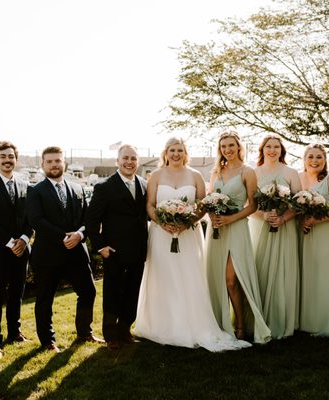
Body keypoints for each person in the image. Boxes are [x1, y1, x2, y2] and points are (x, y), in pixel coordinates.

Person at [134, 137, 250, 352]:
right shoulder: (156, 176)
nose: (176, 154)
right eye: (172, 150)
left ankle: (192, 324)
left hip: (188, 234)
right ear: (165, 153)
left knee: (189, 277)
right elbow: (150, 205)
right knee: (163, 278)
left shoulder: (195, 175)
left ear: (185, 153)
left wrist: (187, 221)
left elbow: (202, 206)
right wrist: (163, 223)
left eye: (180, 150)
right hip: (161, 234)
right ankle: (163, 325)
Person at [26, 146, 102, 353]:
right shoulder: (35, 191)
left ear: (64, 163)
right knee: (45, 299)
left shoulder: (77, 189)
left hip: (77, 252)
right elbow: (36, 221)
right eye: (49, 161)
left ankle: (84, 333)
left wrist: (79, 235)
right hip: (48, 255)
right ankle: (47, 341)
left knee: (88, 291)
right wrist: (64, 237)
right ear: (42, 165)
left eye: (57, 161)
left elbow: (87, 219)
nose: (54, 165)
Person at [205, 130, 271, 344]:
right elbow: (209, 199)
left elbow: (253, 205)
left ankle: (241, 325)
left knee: (232, 279)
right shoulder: (216, 171)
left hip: (237, 228)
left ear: (239, 147)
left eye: (231, 145)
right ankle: (221, 322)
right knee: (217, 278)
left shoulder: (247, 171)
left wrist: (230, 219)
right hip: (216, 230)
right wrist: (212, 215)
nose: (227, 149)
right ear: (220, 149)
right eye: (224, 146)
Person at [86, 144, 148, 350]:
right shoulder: (104, 187)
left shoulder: (144, 184)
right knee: (113, 293)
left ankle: (125, 330)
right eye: (125, 158)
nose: (129, 162)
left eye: (133, 158)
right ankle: (110, 334)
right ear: (117, 161)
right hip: (114, 251)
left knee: (132, 291)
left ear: (137, 162)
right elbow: (92, 221)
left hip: (138, 250)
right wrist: (100, 246)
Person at [0, 141, 33, 360]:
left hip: (22, 250)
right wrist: (11, 242)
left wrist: (24, 238)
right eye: (3, 156)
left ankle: (14, 333)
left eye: (11, 156)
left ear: (16, 159)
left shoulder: (25, 185)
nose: (7, 160)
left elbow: (31, 218)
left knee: (16, 294)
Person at [250, 134, 301, 339]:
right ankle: (258, 319)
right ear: (262, 150)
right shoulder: (254, 172)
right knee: (260, 268)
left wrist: (283, 218)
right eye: (268, 146)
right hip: (259, 227)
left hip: (285, 228)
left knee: (283, 270)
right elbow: (249, 205)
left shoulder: (291, 172)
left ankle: (281, 319)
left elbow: (298, 204)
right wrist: (264, 215)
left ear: (282, 151)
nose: (272, 150)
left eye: (276, 147)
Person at [298, 144, 329, 336]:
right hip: (304, 234)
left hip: (327, 233)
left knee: (325, 275)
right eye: (310, 157)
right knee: (308, 275)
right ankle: (307, 321)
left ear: (325, 160)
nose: (314, 161)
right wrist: (303, 220)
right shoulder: (299, 179)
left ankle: (326, 322)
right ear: (304, 159)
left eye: (319, 157)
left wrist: (316, 220)